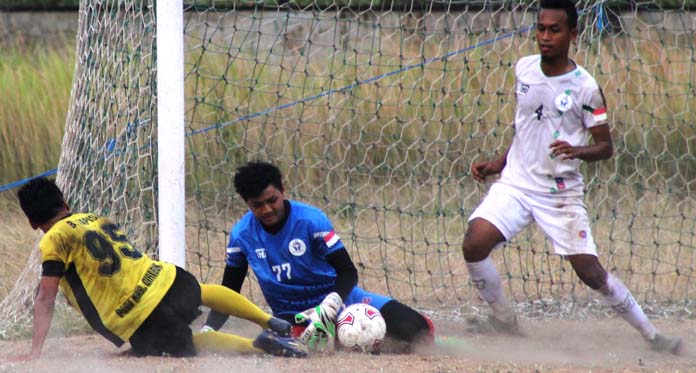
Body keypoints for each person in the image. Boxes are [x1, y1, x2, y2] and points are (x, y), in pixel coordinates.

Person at [460, 0, 681, 354]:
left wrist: (578, 151)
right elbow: (525, 127)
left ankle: (653, 336)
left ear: (573, 34)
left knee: (590, 273)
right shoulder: (524, 69)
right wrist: (499, 163)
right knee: (474, 244)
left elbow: (606, 146)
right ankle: (503, 320)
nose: (545, 37)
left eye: (554, 30)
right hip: (516, 183)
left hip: (559, 194)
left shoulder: (585, 88)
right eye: (541, 29)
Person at [9, 177, 306, 361]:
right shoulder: (94, 218)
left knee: (186, 344)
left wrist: (35, 351)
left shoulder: (53, 239)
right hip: (169, 277)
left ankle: (260, 346)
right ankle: (266, 319)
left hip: (142, 313)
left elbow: (46, 298)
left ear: (32, 223)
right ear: (65, 202)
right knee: (201, 292)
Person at [202, 161, 435, 352]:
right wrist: (208, 331)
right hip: (293, 316)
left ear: (283, 190)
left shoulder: (311, 220)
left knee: (418, 330)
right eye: (257, 205)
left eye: (272, 200)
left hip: (342, 300)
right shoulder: (242, 236)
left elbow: (347, 271)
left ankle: (363, 338)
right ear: (247, 203)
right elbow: (229, 293)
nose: (267, 210)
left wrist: (330, 307)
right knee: (291, 349)